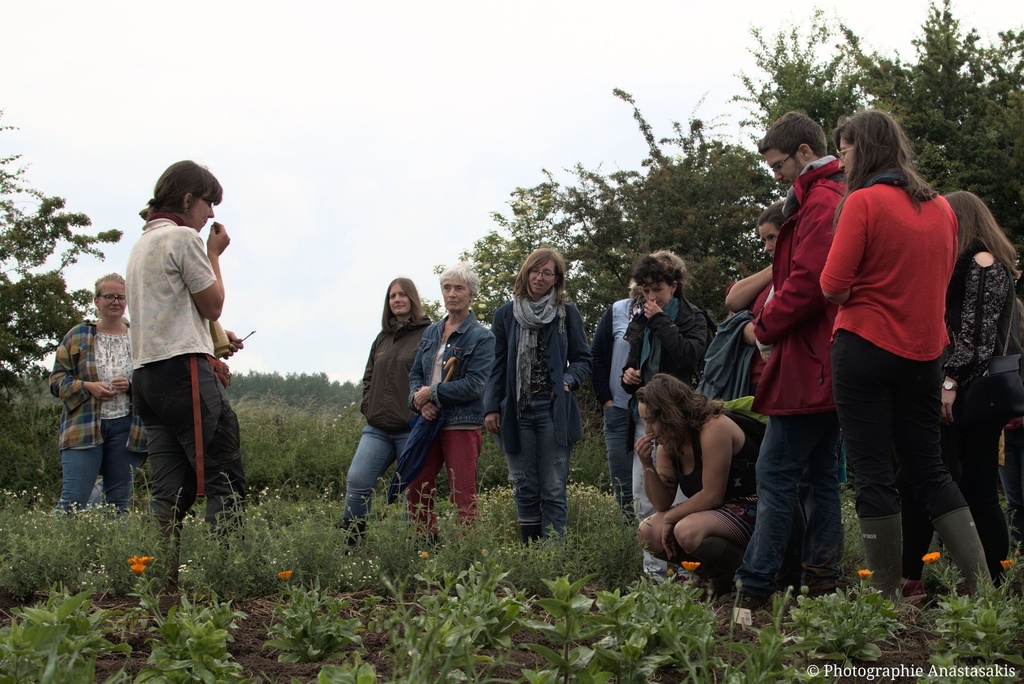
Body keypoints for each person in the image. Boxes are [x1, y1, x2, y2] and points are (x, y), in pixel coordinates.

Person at [820, 110, 988, 599]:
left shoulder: (862, 202)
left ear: (865, 150)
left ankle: (886, 597)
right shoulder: (942, 210)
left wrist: (866, 290)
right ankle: (984, 588)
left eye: (846, 152)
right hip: (924, 356)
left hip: (865, 347)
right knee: (929, 468)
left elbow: (832, 285)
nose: (842, 163)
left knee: (873, 472)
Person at [733, 112, 845, 608]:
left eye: (779, 165)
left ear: (804, 152)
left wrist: (766, 326)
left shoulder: (820, 199)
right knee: (821, 475)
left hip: (807, 358)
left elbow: (807, 281)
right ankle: (821, 579)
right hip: (827, 358)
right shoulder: (828, 195)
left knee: (775, 473)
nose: (776, 175)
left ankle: (756, 583)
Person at [126, 160, 248, 587]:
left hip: (147, 378)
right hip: (184, 375)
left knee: (170, 490)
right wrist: (214, 255)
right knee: (224, 477)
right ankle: (223, 580)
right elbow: (212, 304)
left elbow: (174, 312)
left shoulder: (141, 244)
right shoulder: (183, 238)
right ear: (187, 199)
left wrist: (215, 338)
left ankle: (159, 581)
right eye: (208, 203)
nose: (210, 214)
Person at [898, 190, 1018, 592]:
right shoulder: (975, 264)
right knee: (958, 483)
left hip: (972, 391)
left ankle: (989, 582)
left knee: (976, 488)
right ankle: (981, 580)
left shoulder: (982, 262)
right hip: (969, 391)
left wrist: (949, 380)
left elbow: (976, 338)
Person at [485, 247, 592, 541]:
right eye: (534, 270)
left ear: (556, 278)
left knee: (554, 488)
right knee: (523, 485)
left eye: (547, 272)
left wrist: (569, 379)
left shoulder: (566, 312)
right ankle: (530, 553)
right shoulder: (506, 314)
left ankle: (553, 556)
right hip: (517, 409)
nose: (539, 277)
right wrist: (491, 407)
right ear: (526, 273)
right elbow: (497, 365)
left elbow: (584, 358)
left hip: (552, 408)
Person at [621, 250, 711, 575]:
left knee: (684, 496)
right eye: (645, 290)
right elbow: (634, 367)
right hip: (646, 419)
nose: (651, 297)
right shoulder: (640, 321)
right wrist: (628, 376)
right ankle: (655, 575)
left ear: (674, 285)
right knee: (645, 494)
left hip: (682, 422)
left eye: (657, 289)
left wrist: (660, 320)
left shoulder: (694, 318)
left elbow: (689, 356)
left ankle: (687, 572)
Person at [635, 374, 763, 597]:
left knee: (687, 530)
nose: (647, 431)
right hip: (716, 512)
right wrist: (647, 464)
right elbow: (662, 503)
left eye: (652, 420)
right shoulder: (670, 442)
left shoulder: (713, 427)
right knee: (648, 532)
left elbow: (712, 495)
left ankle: (751, 574)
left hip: (753, 505)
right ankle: (718, 577)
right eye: (644, 421)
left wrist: (672, 519)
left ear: (670, 413)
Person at [407, 263, 495, 540]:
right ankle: (426, 546)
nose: (452, 294)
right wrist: (419, 401)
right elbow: (415, 374)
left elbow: (475, 385)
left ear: (472, 295)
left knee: (462, 494)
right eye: (447, 288)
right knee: (417, 487)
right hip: (427, 420)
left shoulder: (482, 337)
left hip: (461, 423)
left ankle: (464, 555)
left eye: (459, 288)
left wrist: (431, 393)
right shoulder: (431, 332)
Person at [340, 278, 430, 542]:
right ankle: (352, 543)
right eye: (392, 296)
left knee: (411, 491)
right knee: (358, 480)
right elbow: (369, 376)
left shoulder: (428, 334)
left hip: (411, 428)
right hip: (377, 427)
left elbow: (432, 375)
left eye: (402, 294)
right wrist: (368, 405)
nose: (397, 300)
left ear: (412, 299)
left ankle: (415, 547)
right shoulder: (382, 338)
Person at [50, 273, 147, 513]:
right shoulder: (78, 335)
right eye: (109, 296)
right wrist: (87, 387)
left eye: (121, 297)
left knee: (118, 504)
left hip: (127, 427)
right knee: (73, 501)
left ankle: (114, 541)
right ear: (96, 300)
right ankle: (56, 540)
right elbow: (56, 381)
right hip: (83, 426)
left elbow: (156, 381)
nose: (115, 302)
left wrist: (131, 386)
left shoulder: (140, 337)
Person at [590, 286, 643, 513]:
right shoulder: (618, 310)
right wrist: (605, 400)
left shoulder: (674, 312)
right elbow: (595, 355)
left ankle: (654, 532)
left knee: (653, 479)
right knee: (623, 483)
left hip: (654, 410)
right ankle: (628, 532)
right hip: (618, 408)